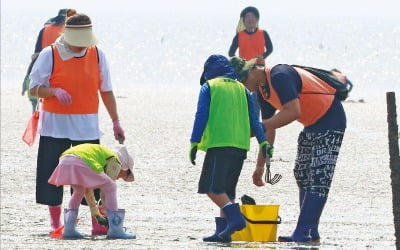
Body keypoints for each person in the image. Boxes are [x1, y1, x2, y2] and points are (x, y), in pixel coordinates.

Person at [229, 56, 346, 243]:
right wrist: (260, 167)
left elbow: (293, 111)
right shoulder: (262, 90)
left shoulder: (279, 75)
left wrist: (260, 125)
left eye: (242, 81)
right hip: (311, 124)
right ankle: (311, 232)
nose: (243, 86)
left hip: (331, 119)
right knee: (302, 173)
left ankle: (303, 231)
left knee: (318, 177)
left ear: (251, 71)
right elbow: (269, 131)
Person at [29, 13, 126, 236]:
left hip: (87, 126)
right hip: (55, 125)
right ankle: (56, 224)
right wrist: (53, 91)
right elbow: (34, 88)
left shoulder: (98, 54)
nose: (81, 47)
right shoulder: (50, 54)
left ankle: (97, 222)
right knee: (51, 175)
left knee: (93, 175)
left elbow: (107, 90)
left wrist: (116, 122)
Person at [189, 54, 273, 242]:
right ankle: (223, 232)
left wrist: (194, 142)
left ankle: (235, 218)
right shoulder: (243, 90)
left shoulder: (209, 87)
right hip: (241, 147)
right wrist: (263, 142)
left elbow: (200, 115)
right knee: (228, 191)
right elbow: (255, 121)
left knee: (211, 188)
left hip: (219, 144)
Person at [48, 143, 135, 239]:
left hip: (66, 159)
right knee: (111, 186)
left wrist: (95, 212)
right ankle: (116, 229)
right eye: (124, 175)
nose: (119, 178)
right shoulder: (115, 161)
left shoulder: (101, 157)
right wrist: (105, 210)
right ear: (124, 167)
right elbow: (105, 191)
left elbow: (87, 189)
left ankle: (69, 229)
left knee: (79, 191)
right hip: (82, 160)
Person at [22, 8, 76, 113]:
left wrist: (27, 76)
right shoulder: (69, 31)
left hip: (42, 67)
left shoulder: (44, 30)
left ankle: (36, 117)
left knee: (37, 103)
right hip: (60, 72)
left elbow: (36, 55)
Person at [228, 6, 273, 118]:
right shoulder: (240, 35)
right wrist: (240, 63)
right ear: (243, 20)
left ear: (256, 19)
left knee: (259, 100)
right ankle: (248, 123)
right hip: (245, 71)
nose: (250, 19)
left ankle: (258, 125)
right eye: (247, 16)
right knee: (246, 100)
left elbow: (270, 48)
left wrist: (263, 56)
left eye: (253, 16)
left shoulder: (263, 33)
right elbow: (231, 52)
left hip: (259, 70)